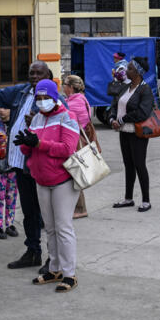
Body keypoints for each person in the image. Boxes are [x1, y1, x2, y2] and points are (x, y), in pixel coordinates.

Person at [0, 61, 54, 269]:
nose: (34, 76)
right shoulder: (22, 92)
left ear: (48, 75)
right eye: (31, 72)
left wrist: (39, 124)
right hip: (20, 164)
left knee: (47, 216)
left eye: (39, 73)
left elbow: (63, 129)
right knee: (30, 213)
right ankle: (33, 252)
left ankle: (54, 258)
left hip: (40, 166)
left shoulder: (53, 100)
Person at [17, 79, 81, 292]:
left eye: (46, 98)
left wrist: (39, 143)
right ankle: (54, 268)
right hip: (41, 180)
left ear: (55, 97)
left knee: (63, 227)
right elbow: (32, 150)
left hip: (62, 180)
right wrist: (26, 144)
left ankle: (69, 274)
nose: (42, 102)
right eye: (39, 98)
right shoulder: (36, 118)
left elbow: (67, 148)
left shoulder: (67, 117)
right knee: (51, 228)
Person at [108, 57, 155, 211]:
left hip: (137, 133)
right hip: (123, 132)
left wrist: (121, 120)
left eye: (129, 69)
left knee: (139, 165)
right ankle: (128, 198)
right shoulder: (125, 87)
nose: (126, 71)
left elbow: (142, 112)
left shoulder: (144, 89)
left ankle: (146, 200)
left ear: (138, 72)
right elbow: (115, 104)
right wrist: (112, 118)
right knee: (128, 165)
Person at [62, 74, 97, 219]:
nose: (62, 86)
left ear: (70, 87)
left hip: (76, 142)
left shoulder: (75, 102)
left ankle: (81, 208)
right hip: (77, 141)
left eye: (64, 84)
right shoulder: (78, 98)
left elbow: (69, 119)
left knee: (75, 175)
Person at [0, 119, 19, 240]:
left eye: (5, 108)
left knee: (11, 197)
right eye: (1, 107)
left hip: (13, 166)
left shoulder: (16, 122)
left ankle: (10, 223)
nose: (3, 110)